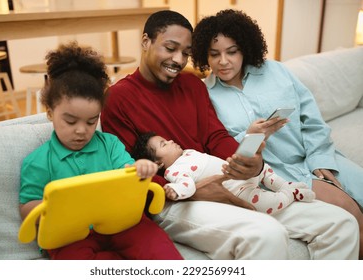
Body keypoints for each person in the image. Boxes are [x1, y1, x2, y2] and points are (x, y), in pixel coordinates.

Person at [101, 10, 359, 259]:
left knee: (341, 225)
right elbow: (127, 171)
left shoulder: (192, 85)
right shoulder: (118, 98)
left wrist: (247, 160)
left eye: (186, 53)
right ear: (146, 41)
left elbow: (216, 137)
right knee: (266, 234)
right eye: (170, 48)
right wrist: (195, 190)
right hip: (174, 199)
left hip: (223, 180)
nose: (178, 60)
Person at [191, 9, 363, 258]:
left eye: (232, 51)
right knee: (350, 213)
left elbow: (312, 120)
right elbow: (223, 150)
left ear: (245, 48)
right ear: (204, 56)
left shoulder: (276, 71)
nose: (223, 61)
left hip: (318, 155)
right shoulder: (205, 94)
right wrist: (250, 137)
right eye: (214, 54)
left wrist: (319, 160)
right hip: (278, 174)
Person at [19, 41, 183, 260]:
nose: (81, 131)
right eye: (70, 121)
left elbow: (128, 172)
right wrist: (57, 207)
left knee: (155, 244)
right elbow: (27, 208)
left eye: (90, 121)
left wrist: (139, 169)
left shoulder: (110, 144)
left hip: (122, 224)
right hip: (70, 237)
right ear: (50, 113)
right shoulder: (38, 161)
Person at [132, 132, 315, 215]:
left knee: (265, 170)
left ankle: (284, 184)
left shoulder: (188, 152)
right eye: (164, 144)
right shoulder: (175, 171)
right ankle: (291, 194)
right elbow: (187, 186)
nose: (171, 141)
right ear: (158, 163)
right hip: (238, 190)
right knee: (269, 205)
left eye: (167, 139)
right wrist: (174, 190)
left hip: (239, 173)